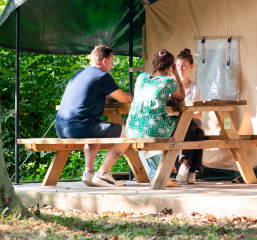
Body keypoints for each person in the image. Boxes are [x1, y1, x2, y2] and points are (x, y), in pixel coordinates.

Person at [56, 45, 133, 187]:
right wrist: (128, 95)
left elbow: (103, 98)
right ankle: (103, 173)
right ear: (104, 61)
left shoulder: (79, 74)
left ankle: (89, 173)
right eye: (112, 60)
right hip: (80, 127)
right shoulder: (101, 75)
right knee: (130, 131)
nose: (113, 64)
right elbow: (125, 100)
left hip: (62, 127)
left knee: (97, 131)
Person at [125, 50, 185, 182]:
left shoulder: (141, 77)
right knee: (185, 124)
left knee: (155, 127)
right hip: (151, 128)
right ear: (170, 67)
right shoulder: (168, 82)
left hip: (133, 126)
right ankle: (168, 169)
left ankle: (161, 169)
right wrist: (176, 74)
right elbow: (181, 97)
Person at [174, 48, 205, 184]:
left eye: (184, 66)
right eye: (178, 66)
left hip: (190, 123)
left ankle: (187, 166)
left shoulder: (195, 87)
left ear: (191, 67)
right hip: (174, 123)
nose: (180, 69)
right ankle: (189, 167)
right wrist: (188, 112)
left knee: (197, 128)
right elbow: (170, 111)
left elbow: (199, 114)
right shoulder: (171, 85)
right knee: (196, 129)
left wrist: (186, 113)